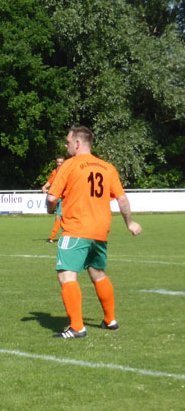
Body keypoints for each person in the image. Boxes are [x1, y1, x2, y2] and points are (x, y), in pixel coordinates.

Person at [46, 126, 142, 339]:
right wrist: (130, 223)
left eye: (68, 141)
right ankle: (110, 320)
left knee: (66, 275)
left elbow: (52, 199)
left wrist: (50, 209)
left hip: (76, 229)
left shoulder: (70, 165)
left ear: (78, 144)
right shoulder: (107, 168)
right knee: (98, 274)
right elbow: (122, 198)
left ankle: (77, 327)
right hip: (100, 231)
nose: (66, 145)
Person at [41, 156, 65, 243]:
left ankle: (52, 238)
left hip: (63, 198)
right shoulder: (54, 172)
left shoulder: (66, 173)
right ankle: (67, 234)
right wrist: (44, 186)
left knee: (58, 216)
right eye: (58, 162)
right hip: (55, 197)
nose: (59, 164)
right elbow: (50, 182)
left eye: (61, 162)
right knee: (61, 218)